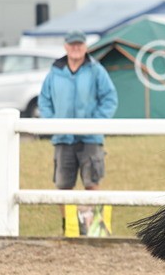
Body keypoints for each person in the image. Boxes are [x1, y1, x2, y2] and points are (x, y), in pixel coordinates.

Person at [38, 30, 118, 192]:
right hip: (63, 137)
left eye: (79, 44)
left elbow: (110, 98)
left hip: (90, 138)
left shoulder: (96, 70)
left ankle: (90, 211)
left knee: (92, 184)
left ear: (85, 46)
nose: (76, 48)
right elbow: (44, 100)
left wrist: (95, 123)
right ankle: (70, 212)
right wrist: (53, 122)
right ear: (65, 46)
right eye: (72, 44)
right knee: (63, 186)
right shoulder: (55, 72)